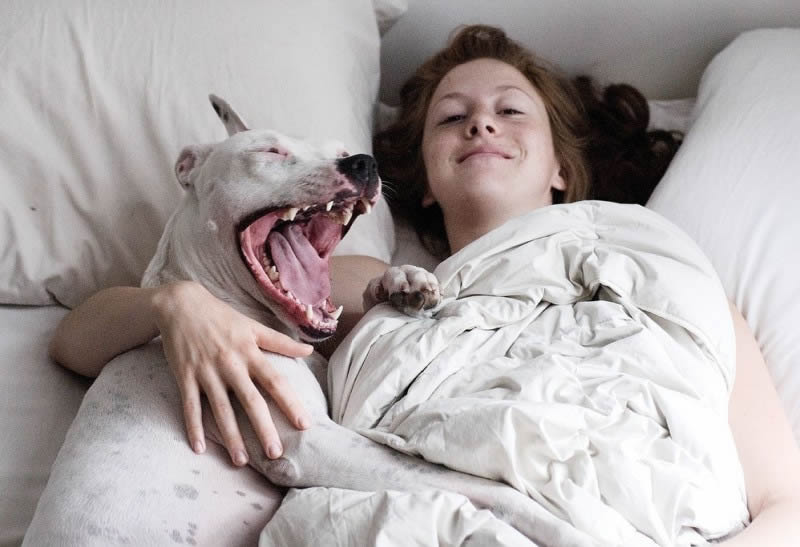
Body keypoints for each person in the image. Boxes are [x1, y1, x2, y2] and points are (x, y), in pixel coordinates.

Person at [50, 24, 799, 544]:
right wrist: (172, 303)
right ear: (427, 183)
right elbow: (79, 339)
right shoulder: (360, 286)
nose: (481, 125)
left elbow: (784, 506)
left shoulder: (662, 271)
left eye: (510, 111)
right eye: (452, 118)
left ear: (560, 168)